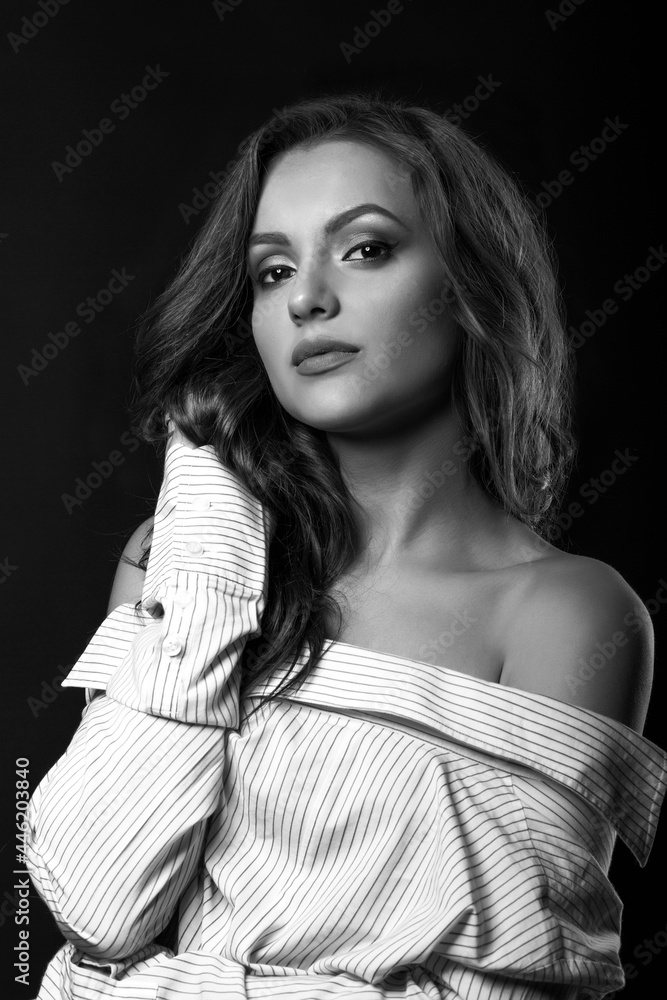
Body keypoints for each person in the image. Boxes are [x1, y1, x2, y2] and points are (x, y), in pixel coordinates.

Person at [26, 92, 666, 999]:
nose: (309, 301)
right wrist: (210, 508)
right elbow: (96, 906)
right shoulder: (183, 560)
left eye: (365, 249)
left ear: (471, 282)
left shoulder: (567, 614)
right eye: (272, 272)